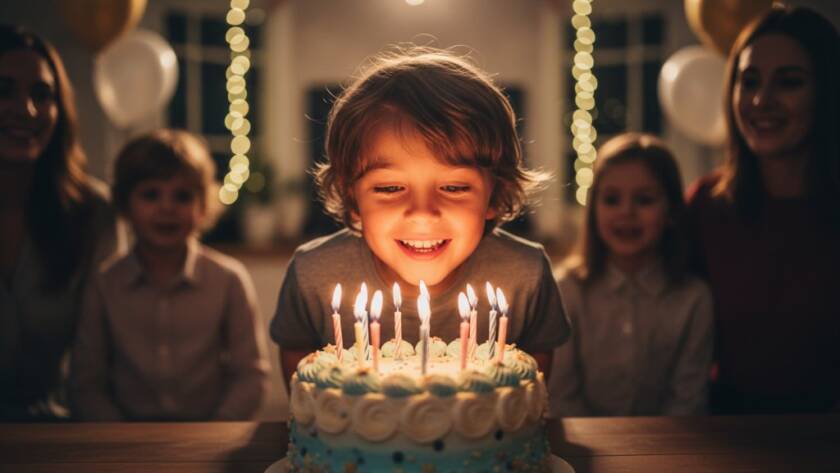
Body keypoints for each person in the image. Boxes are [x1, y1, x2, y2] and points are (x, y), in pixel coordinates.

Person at [270, 47, 570, 386]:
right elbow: (297, 355)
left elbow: (535, 371)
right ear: (352, 196)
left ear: (496, 194)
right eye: (390, 188)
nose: (423, 213)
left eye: (454, 187)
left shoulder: (525, 275)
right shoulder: (314, 274)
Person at [686, 6, 840, 414]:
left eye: (789, 82)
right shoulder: (705, 205)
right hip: (728, 434)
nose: (760, 100)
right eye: (748, 81)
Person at [69, 130, 269, 421]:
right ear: (125, 205)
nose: (167, 207)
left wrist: (214, 432)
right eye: (150, 194)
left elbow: (251, 376)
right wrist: (119, 438)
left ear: (202, 207)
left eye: (183, 196)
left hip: (208, 439)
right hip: (125, 445)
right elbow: (86, 385)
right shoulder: (104, 284)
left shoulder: (229, 280)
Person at [0, 25, 123, 421]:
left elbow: (100, 357)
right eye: (4, 90)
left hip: (52, 429)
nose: (27, 110)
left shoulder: (93, 212)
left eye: (42, 95)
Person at [549, 133, 714, 417]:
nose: (627, 212)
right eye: (612, 199)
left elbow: (688, 400)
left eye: (644, 199)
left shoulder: (693, 298)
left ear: (671, 210)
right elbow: (562, 397)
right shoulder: (566, 291)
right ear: (594, 209)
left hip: (666, 450)